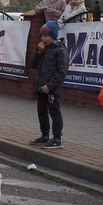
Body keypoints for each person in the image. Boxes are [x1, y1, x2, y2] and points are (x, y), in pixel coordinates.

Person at [28, 21, 69, 149]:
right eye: (41, 35)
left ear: (53, 36)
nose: (43, 38)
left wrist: (50, 86)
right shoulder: (44, 49)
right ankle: (45, 135)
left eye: (46, 36)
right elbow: (33, 65)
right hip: (41, 86)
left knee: (54, 112)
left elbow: (62, 71)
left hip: (52, 88)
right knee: (42, 112)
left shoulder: (60, 51)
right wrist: (38, 52)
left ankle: (57, 138)